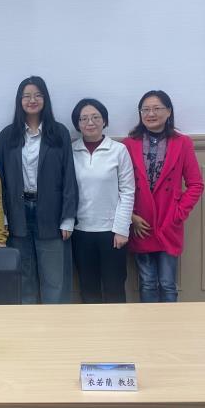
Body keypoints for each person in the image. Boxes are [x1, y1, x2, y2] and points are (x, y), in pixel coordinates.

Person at [0, 76, 78, 304]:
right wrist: (1, 217)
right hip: (16, 214)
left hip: (51, 214)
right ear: (19, 100)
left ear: (45, 99)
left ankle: (56, 331)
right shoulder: (7, 135)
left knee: (55, 280)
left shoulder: (58, 133)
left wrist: (68, 218)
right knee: (23, 278)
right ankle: (26, 331)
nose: (32, 100)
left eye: (38, 95)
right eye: (27, 95)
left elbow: (69, 176)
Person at [123, 90, 204, 302]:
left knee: (168, 284)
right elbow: (119, 185)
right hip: (141, 223)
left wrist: (178, 213)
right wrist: (131, 216)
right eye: (145, 109)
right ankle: (148, 330)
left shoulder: (182, 143)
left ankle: (171, 331)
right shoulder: (128, 144)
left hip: (169, 222)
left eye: (157, 108)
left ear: (168, 111)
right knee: (147, 281)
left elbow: (196, 184)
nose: (151, 113)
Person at [70, 98, 135, 303]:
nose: (90, 122)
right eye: (84, 118)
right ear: (77, 124)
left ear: (104, 121)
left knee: (114, 287)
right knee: (88, 288)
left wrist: (122, 229)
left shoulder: (118, 150)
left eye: (96, 117)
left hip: (112, 233)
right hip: (80, 232)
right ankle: (92, 333)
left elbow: (127, 191)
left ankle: (117, 332)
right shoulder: (70, 151)